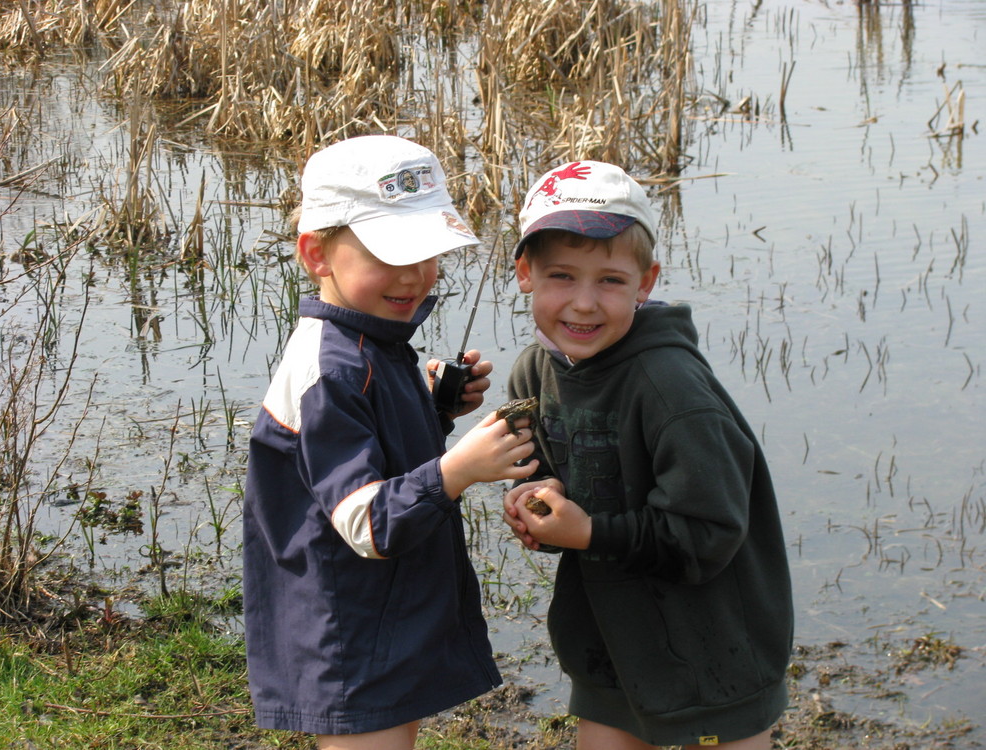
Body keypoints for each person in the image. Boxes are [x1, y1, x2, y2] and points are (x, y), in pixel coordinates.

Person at [243, 134, 539, 750]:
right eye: (389, 253)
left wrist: (431, 404)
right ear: (316, 255)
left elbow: (365, 449)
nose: (414, 275)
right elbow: (365, 523)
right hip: (344, 630)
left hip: (374, 617)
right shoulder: (333, 369)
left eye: (428, 252)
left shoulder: (371, 342)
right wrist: (458, 470)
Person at [502, 160, 794, 750]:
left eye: (610, 280)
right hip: (614, 636)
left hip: (716, 645)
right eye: (562, 275)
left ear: (647, 280)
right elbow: (549, 478)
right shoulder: (536, 373)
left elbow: (709, 530)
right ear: (525, 273)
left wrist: (589, 533)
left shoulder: (672, 390)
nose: (584, 304)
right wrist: (537, 500)